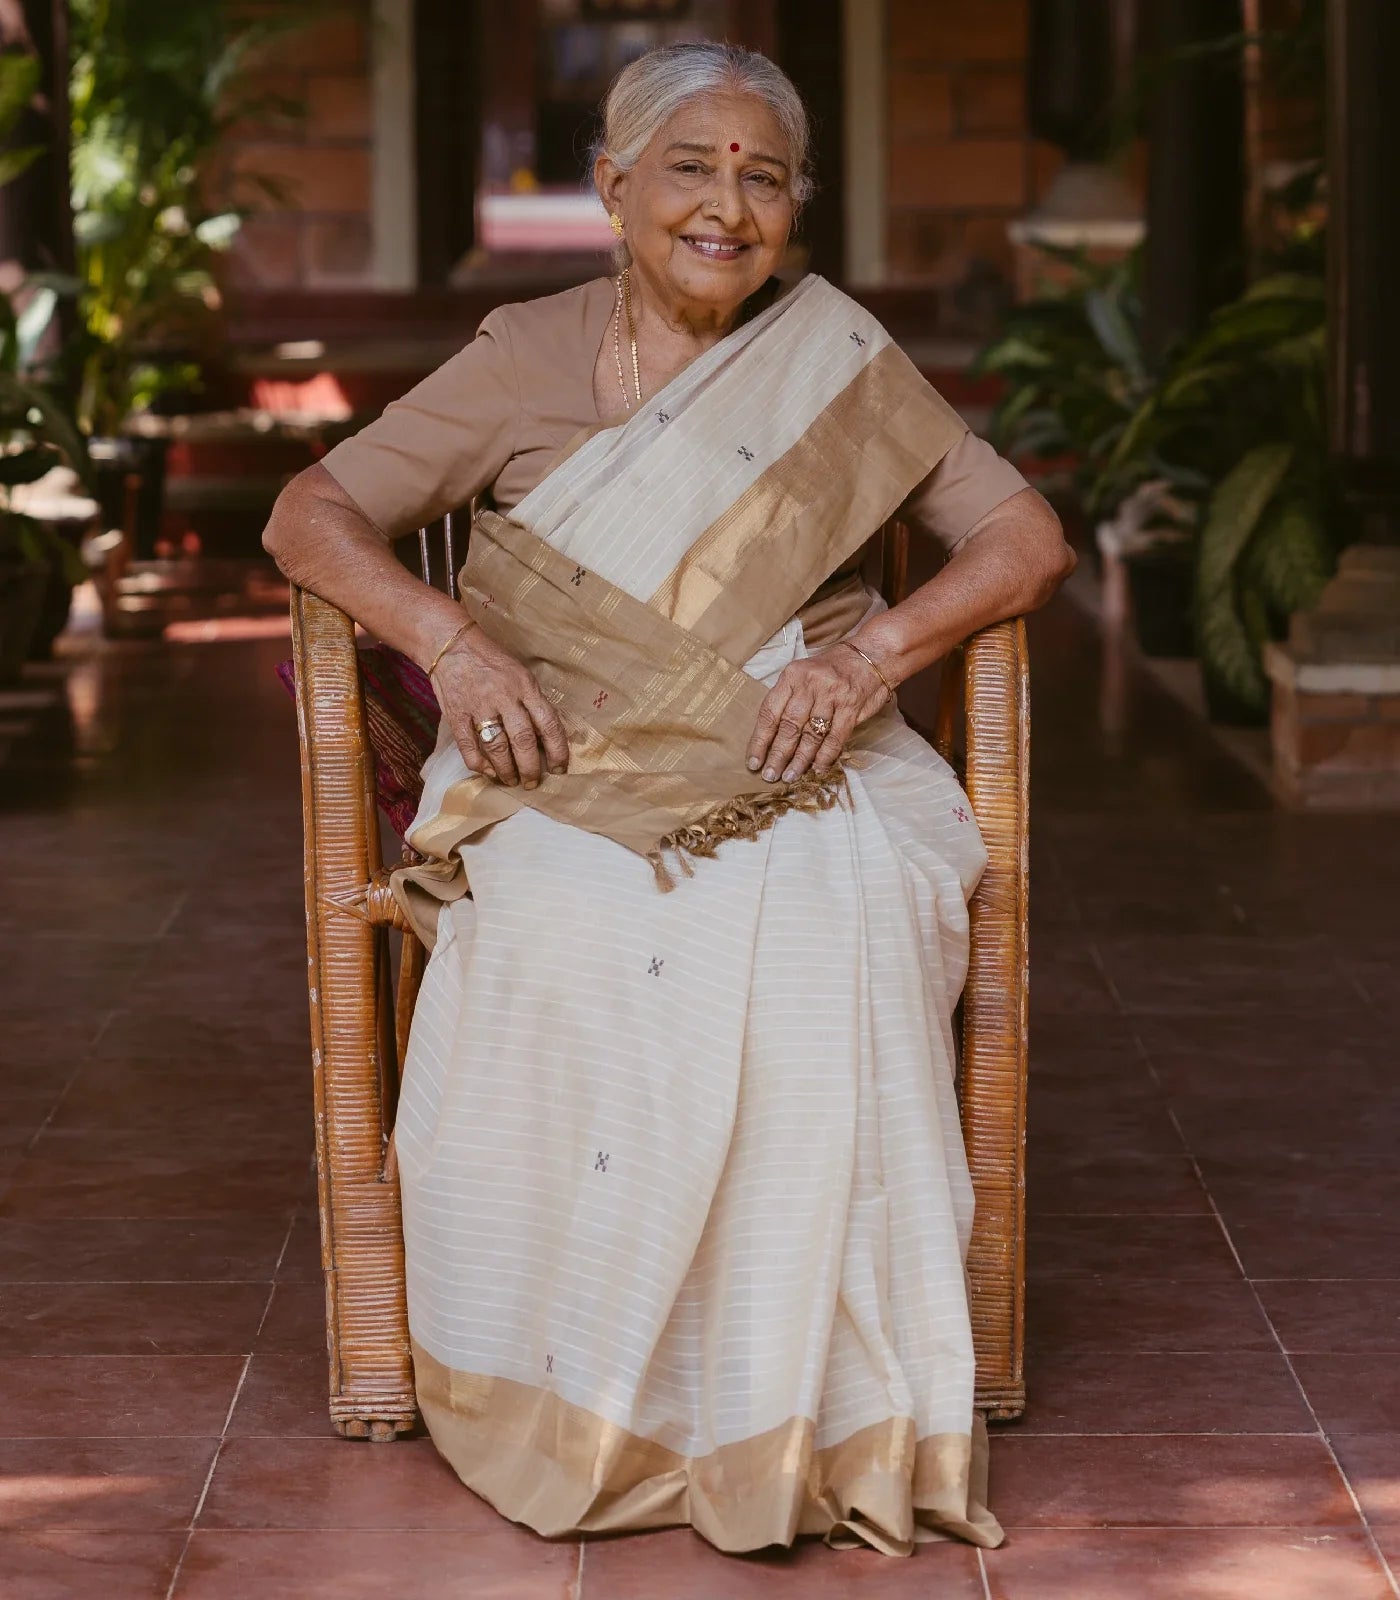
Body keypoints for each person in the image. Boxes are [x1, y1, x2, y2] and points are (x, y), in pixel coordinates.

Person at [263, 40, 1073, 1558]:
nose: (727, 204)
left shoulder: (838, 362)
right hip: (559, 751)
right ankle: (590, 1387)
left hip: (801, 736)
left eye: (764, 176)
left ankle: (787, 1405)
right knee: (565, 922)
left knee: (830, 912)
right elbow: (310, 511)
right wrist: (447, 638)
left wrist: (879, 652)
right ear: (613, 188)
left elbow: (1023, 535)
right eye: (690, 168)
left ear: (797, 210)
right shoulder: (522, 357)